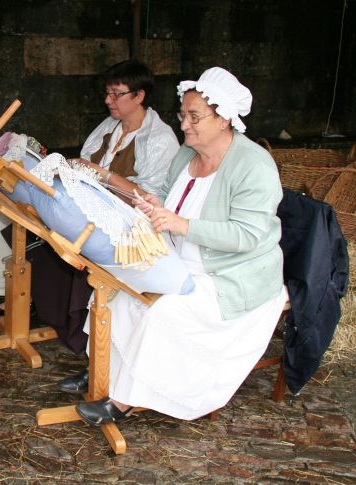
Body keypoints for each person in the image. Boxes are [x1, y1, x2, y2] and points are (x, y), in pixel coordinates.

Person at [60, 67, 289, 423]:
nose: (185, 125)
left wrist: (180, 224)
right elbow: (167, 196)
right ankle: (102, 372)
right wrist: (153, 203)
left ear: (225, 118)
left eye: (195, 117)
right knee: (115, 289)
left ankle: (124, 400)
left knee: (163, 312)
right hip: (178, 260)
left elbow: (247, 236)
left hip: (230, 277)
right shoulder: (186, 155)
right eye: (183, 115)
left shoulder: (254, 166)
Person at [28, 60, 179, 353]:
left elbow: (147, 197)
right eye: (107, 93)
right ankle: (56, 314)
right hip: (96, 203)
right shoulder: (108, 126)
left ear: (139, 96)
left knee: (76, 238)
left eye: (116, 93)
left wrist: (102, 174)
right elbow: (86, 162)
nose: (108, 100)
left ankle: (79, 331)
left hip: (132, 223)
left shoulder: (160, 139)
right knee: (40, 225)